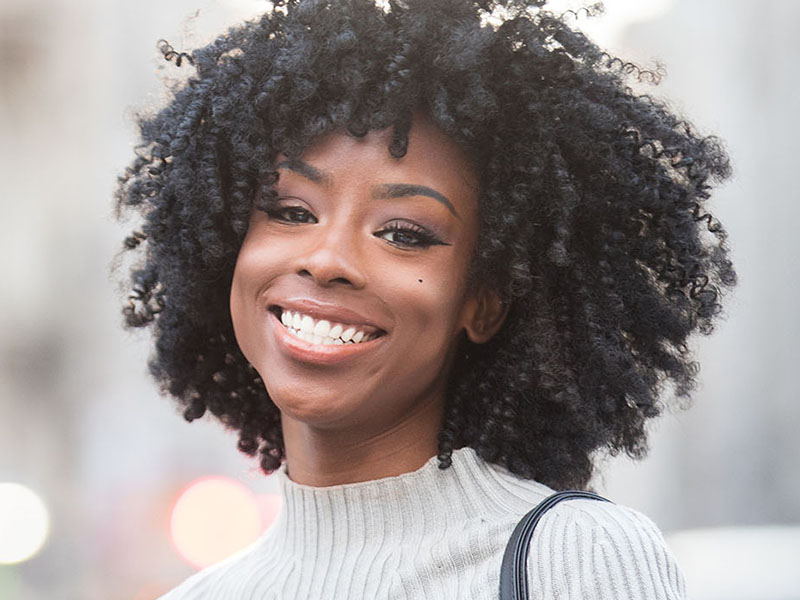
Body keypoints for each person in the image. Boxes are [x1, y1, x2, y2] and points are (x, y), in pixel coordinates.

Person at [115, 0, 736, 597]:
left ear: (484, 303)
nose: (326, 260)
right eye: (292, 212)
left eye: (404, 234)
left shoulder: (574, 558)